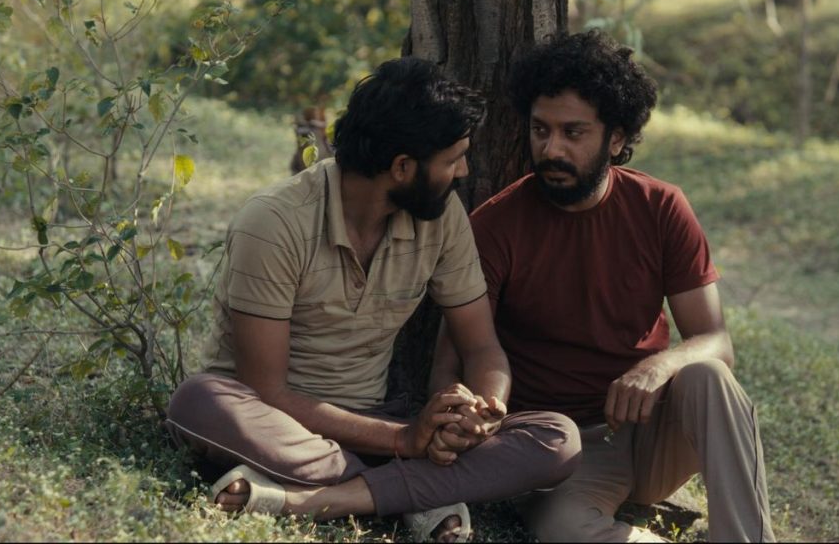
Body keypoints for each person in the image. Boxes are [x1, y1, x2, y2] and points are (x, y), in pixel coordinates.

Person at [164, 57, 581, 543]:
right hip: (275, 423)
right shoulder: (274, 223)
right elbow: (268, 391)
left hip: (376, 420)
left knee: (557, 440)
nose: (464, 171)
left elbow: (482, 348)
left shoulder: (441, 218)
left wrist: (483, 413)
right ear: (402, 168)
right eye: (453, 160)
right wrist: (406, 441)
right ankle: (417, 493)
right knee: (196, 401)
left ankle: (319, 498)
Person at [431, 30, 776, 542]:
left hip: (653, 428)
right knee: (563, 528)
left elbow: (716, 341)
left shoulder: (661, 207)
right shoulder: (496, 226)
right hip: (568, 448)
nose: (552, 149)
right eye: (541, 130)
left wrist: (658, 367)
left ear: (616, 138)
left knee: (709, 376)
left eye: (574, 132)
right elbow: (453, 355)